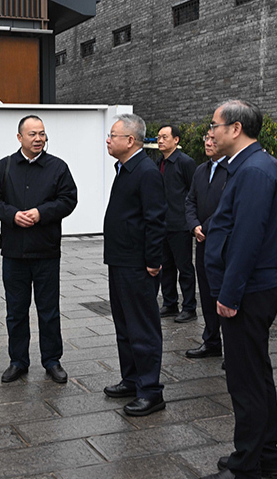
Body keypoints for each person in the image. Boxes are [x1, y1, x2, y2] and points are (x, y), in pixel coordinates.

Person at [201, 99, 277, 479]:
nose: (210, 132)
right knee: (256, 376)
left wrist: (229, 294)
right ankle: (265, 458)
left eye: (214, 125)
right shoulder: (250, 165)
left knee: (246, 382)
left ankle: (246, 464)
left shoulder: (253, 170)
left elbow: (246, 238)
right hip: (249, 289)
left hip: (248, 293)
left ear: (235, 129)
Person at [0, 115, 78, 384]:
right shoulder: (4, 166)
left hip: (46, 251)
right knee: (16, 311)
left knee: (49, 310)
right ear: (19, 137)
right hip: (14, 252)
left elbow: (69, 199)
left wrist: (41, 213)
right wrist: (12, 215)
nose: (39, 139)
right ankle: (18, 361)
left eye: (42, 134)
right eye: (33, 134)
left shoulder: (58, 167)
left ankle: (52, 360)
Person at [102, 113, 167, 416]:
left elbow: (155, 220)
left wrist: (153, 261)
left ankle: (150, 391)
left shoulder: (146, 171)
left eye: (112, 135)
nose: (108, 140)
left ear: (129, 140)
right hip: (120, 260)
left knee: (142, 328)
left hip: (138, 265)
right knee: (124, 325)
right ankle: (131, 379)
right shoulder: (125, 168)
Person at [183, 132, 230, 360]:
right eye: (206, 139)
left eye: (213, 139)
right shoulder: (201, 170)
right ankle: (211, 340)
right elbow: (190, 200)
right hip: (202, 241)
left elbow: (227, 207)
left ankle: (231, 348)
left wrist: (206, 227)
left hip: (223, 242)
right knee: (206, 292)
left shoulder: (233, 170)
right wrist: (194, 225)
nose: (209, 143)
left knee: (224, 293)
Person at [156, 124, 199, 323]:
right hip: (162, 224)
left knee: (184, 267)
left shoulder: (185, 162)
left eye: (164, 137)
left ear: (176, 140)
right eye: (158, 137)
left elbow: (194, 192)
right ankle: (170, 303)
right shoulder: (158, 162)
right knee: (166, 267)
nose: (160, 140)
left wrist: (192, 221)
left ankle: (189, 307)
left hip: (180, 224)